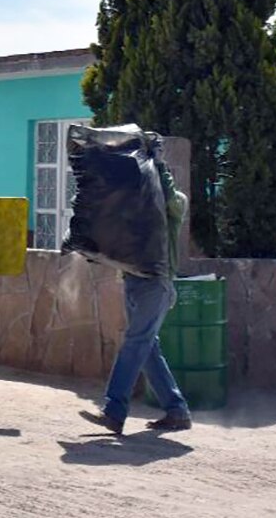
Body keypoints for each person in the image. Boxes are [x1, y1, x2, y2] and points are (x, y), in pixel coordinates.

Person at [80, 156, 192, 435]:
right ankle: (177, 411)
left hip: (156, 285)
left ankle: (114, 411)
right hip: (134, 283)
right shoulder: (138, 208)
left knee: (135, 343)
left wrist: (160, 166)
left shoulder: (175, 203)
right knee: (148, 349)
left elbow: (168, 198)